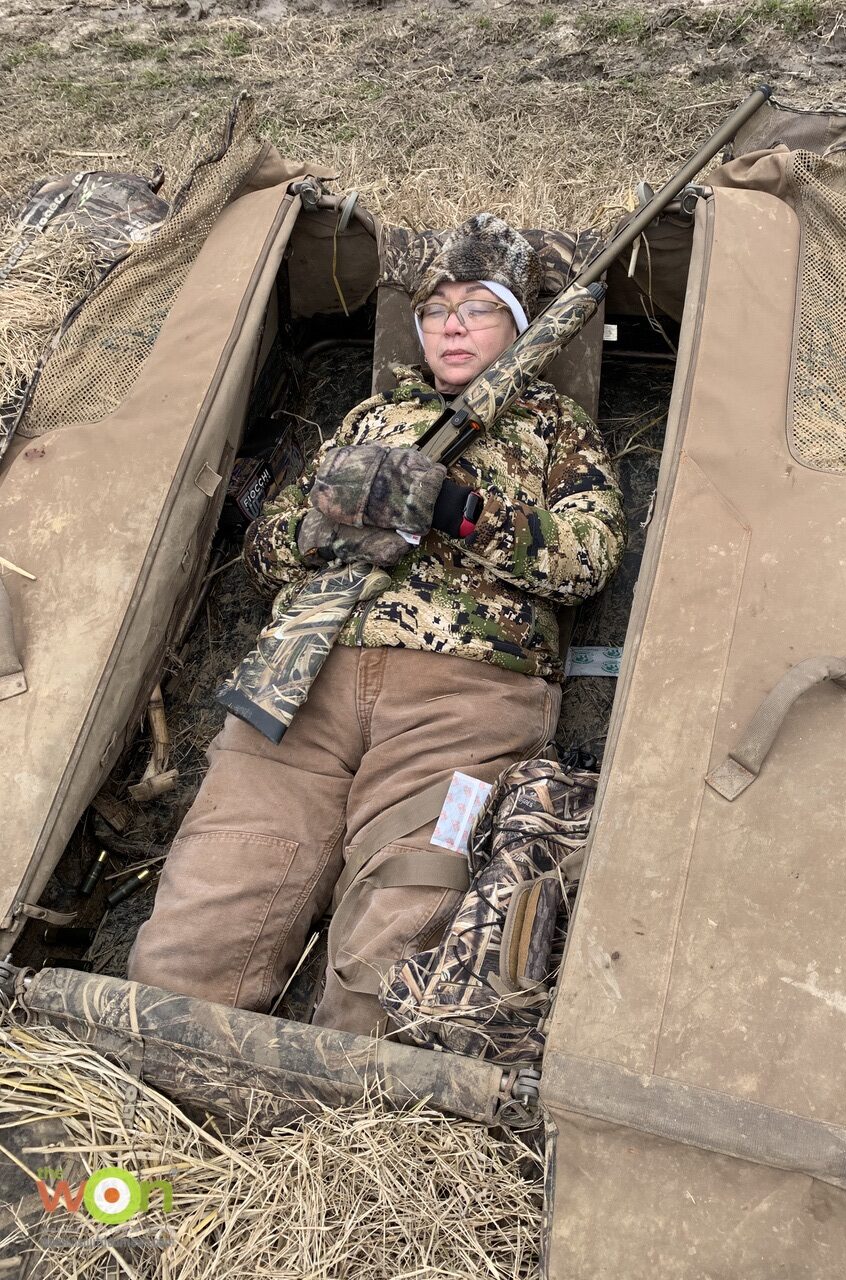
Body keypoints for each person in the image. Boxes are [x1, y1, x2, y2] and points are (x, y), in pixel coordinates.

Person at [129, 214, 626, 1036]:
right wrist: (320, 524)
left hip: (464, 695)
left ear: (518, 326)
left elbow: (587, 560)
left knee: (404, 918)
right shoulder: (368, 420)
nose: (451, 324)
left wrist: (458, 510)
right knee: (211, 899)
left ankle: (348, 1125)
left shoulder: (556, 430)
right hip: (301, 681)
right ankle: (151, 1086)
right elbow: (266, 556)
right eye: (434, 310)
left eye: (478, 307)